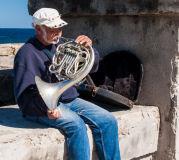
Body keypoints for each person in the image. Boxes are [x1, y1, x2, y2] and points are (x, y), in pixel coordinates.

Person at [13, 8, 121, 160]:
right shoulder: (26, 53)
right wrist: (45, 109)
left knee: (109, 121)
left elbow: (93, 66)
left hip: (70, 99)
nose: (58, 33)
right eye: (52, 29)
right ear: (38, 29)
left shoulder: (64, 44)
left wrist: (89, 48)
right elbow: (24, 96)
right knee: (76, 126)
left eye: (59, 28)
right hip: (43, 105)